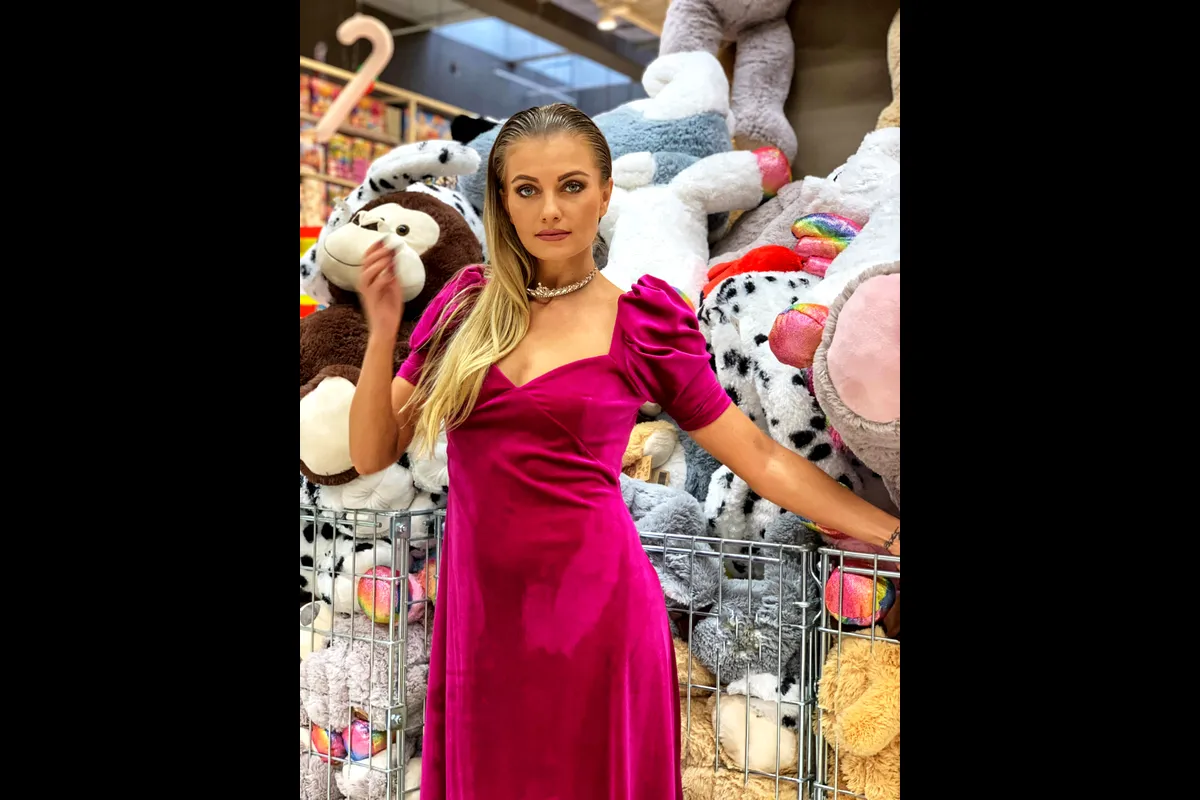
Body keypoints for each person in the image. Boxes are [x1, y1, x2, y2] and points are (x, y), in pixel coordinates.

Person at [348, 103, 900, 800]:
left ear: (606, 193)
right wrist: (382, 332)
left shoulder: (643, 323)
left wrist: (890, 533)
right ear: (503, 201)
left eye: (572, 186)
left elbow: (758, 456)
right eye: (527, 189)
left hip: (597, 619)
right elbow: (371, 451)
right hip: (481, 621)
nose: (551, 209)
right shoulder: (465, 308)